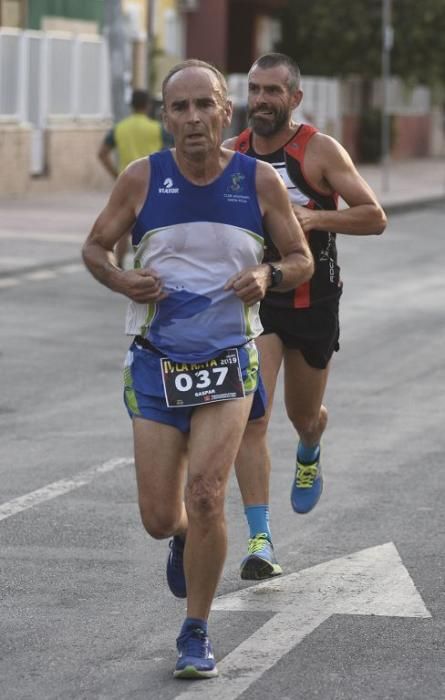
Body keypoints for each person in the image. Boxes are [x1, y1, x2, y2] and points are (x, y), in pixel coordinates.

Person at [82, 59, 313, 680]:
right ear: (165, 118)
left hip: (229, 365)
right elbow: (95, 246)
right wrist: (120, 277)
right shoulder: (141, 179)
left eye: (203, 106)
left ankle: (196, 629)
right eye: (179, 108)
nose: (192, 119)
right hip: (156, 365)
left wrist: (269, 274)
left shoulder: (258, 182)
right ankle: (184, 534)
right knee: (161, 516)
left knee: (209, 493)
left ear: (225, 112)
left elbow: (299, 258)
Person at [223, 53, 387, 581]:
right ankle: (260, 539)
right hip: (261, 300)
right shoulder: (233, 156)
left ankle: (311, 445)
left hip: (314, 300)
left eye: (273, 91)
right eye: (255, 90)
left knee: (302, 414)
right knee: (254, 415)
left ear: (294, 98)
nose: (262, 100)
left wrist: (314, 215)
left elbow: (374, 216)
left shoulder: (317, 150)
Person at [97, 89, 167, 267]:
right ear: (148, 105)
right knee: (151, 228)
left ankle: (119, 265)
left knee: (123, 228)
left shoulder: (120, 128)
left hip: (127, 183)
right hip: (152, 183)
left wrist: (116, 175)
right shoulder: (157, 128)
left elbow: (102, 153)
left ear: (131, 105)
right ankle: (150, 264)